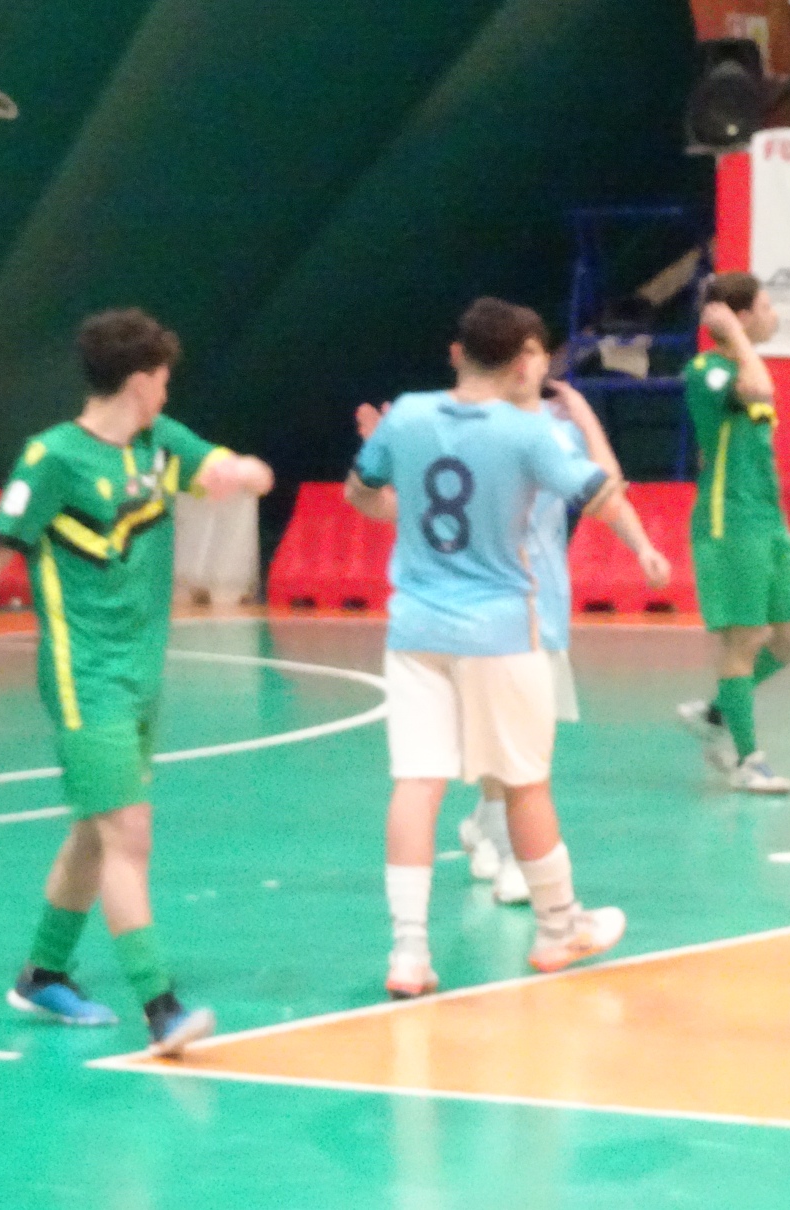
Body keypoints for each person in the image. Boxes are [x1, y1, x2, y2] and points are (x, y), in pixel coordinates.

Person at [0, 308, 274, 1057]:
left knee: (95, 827)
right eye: (164, 381)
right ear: (140, 381)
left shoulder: (158, 444)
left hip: (142, 677)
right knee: (127, 834)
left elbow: (224, 469)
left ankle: (43, 973)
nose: (167, 394)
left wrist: (242, 473)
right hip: (84, 679)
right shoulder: (52, 458)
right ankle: (162, 1008)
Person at [344, 298, 629, 998]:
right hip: (500, 631)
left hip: (415, 630)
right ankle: (558, 927)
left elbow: (362, 494)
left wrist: (407, 500)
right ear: (520, 366)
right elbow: (599, 494)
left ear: (456, 353)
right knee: (525, 782)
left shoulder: (408, 415)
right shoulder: (531, 433)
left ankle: (409, 952)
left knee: (417, 784)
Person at [356, 383, 670, 904]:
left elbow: (607, 493)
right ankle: (512, 861)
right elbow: (411, 508)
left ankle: (487, 827)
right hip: (488, 614)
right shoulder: (466, 432)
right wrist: (391, 467)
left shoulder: (554, 433)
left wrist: (642, 547)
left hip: (542, 608)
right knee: (505, 751)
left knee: (522, 747)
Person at [675, 272, 790, 794]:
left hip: (767, 521)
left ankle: (716, 712)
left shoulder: (745, 364)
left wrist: (739, 340)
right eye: (767, 307)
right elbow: (756, 389)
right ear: (741, 317)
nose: (774, 316)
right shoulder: (707, 370)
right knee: (745, 639)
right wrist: (732, 337)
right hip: (728, 522)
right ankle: (746, 759)